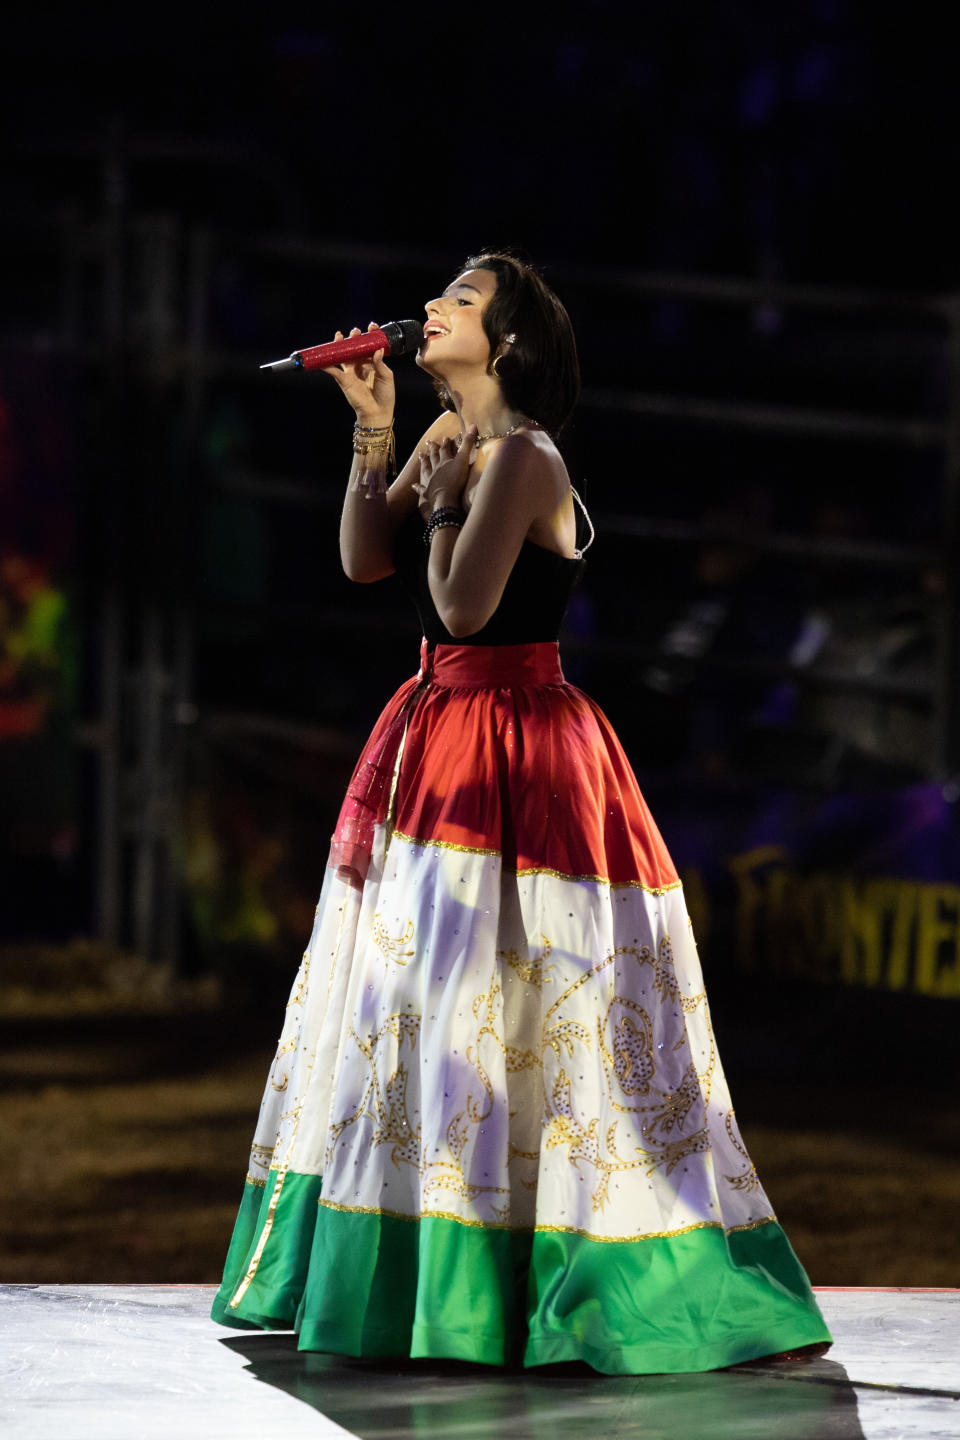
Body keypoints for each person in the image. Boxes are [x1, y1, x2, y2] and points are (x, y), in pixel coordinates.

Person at [211, 253, 831, 1374]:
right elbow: (363, 562)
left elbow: (462, 604)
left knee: (516, 1008)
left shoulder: (525, 456)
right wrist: (378, 434)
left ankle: (521, 1279)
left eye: (460, 300)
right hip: (436, 739)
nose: (432, 309)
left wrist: (443, 494)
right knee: (420, 1008)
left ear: (502, 342)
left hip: (519, 749)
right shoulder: (453, 444)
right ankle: (418, 1271)